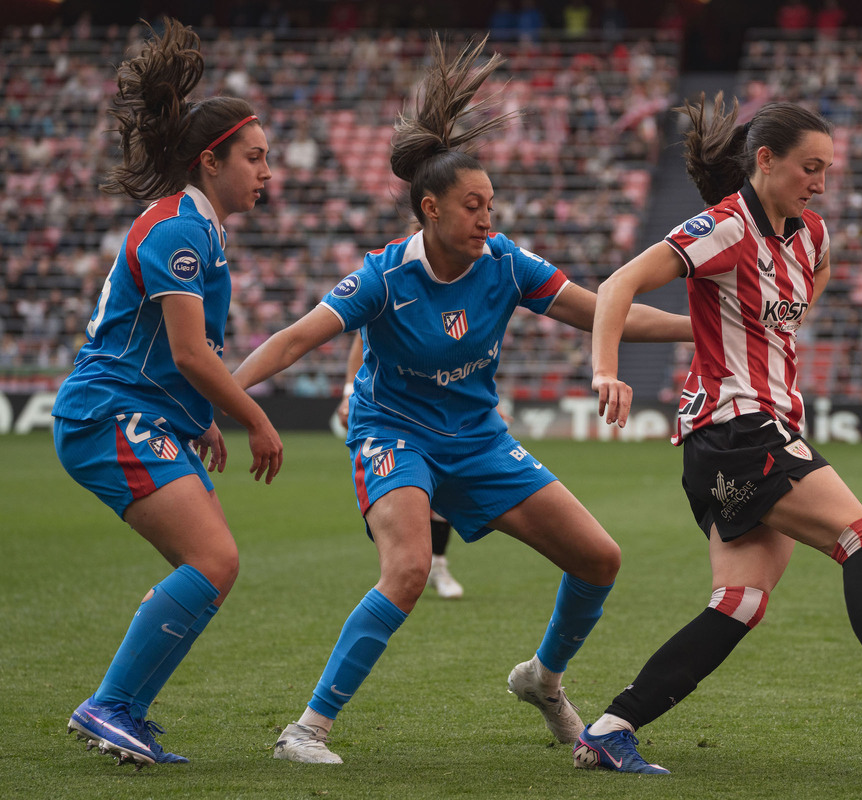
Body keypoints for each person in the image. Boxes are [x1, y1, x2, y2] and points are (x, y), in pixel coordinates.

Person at [229, 36, 692, 765]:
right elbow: (291, 342)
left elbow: (603, 311)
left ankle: (543, 681)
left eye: (491, 206)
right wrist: (219, 400)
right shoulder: (383, 276)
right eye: (473, 207)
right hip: (395, 435)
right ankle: (306, 730)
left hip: (477, 439)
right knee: (409, 570)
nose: (486, 219)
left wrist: (703, 328)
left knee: (599, 559)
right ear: (430, 208)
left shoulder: (506, 261)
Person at [573, 94, 862, 774]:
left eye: (827, 169)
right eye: (810, 167)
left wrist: (772, 323)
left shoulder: (811, 236)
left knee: (739, 603)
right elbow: (620, 283)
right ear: (766, 161)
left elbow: (815, 273)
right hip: (737, 428)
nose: (821, 183)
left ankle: (609, 729)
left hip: (738, 436)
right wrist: (605, 371)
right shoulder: (724, 228)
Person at [50, 19, 282, 768]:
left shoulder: (199, 229)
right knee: (212, 560)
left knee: (213, 564)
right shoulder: (180, 230)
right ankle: (110, 706)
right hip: (107, 414)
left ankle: (124, 710)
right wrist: (252, 418)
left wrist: (197, 419)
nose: (267, 172)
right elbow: (187, 351)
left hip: (134, 412)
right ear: (210, 161)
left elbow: (181, 352)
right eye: (255, 158)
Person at [336, 330, 463, 598]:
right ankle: (410, 567)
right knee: (408, 491)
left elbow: (471, 350)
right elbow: (362, 338)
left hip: (444, 410)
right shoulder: (391, 304)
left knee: (447, 488)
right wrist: (349, 391)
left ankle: (436, 564)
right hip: (394, 415)